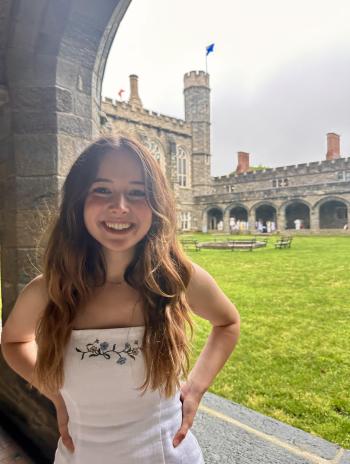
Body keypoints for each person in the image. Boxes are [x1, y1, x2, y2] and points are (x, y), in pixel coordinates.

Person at [1, 136, 240, 464]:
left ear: (156, 203)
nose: (120, 206)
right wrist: (55, 395)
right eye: (102, 190)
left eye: (137, 192)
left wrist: (195, 388)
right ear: (78, 200)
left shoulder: (174, 278)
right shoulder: (50, 290)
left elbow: (227, 322)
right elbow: (14, 341)